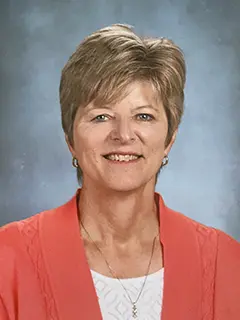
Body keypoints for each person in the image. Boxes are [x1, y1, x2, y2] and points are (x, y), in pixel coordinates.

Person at [0, 24, 239, 320]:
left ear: (170, 138)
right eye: (101, 116)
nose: (123, 135)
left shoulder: (225, 263)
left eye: (143, 116)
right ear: (70, 139)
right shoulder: (7, 258)